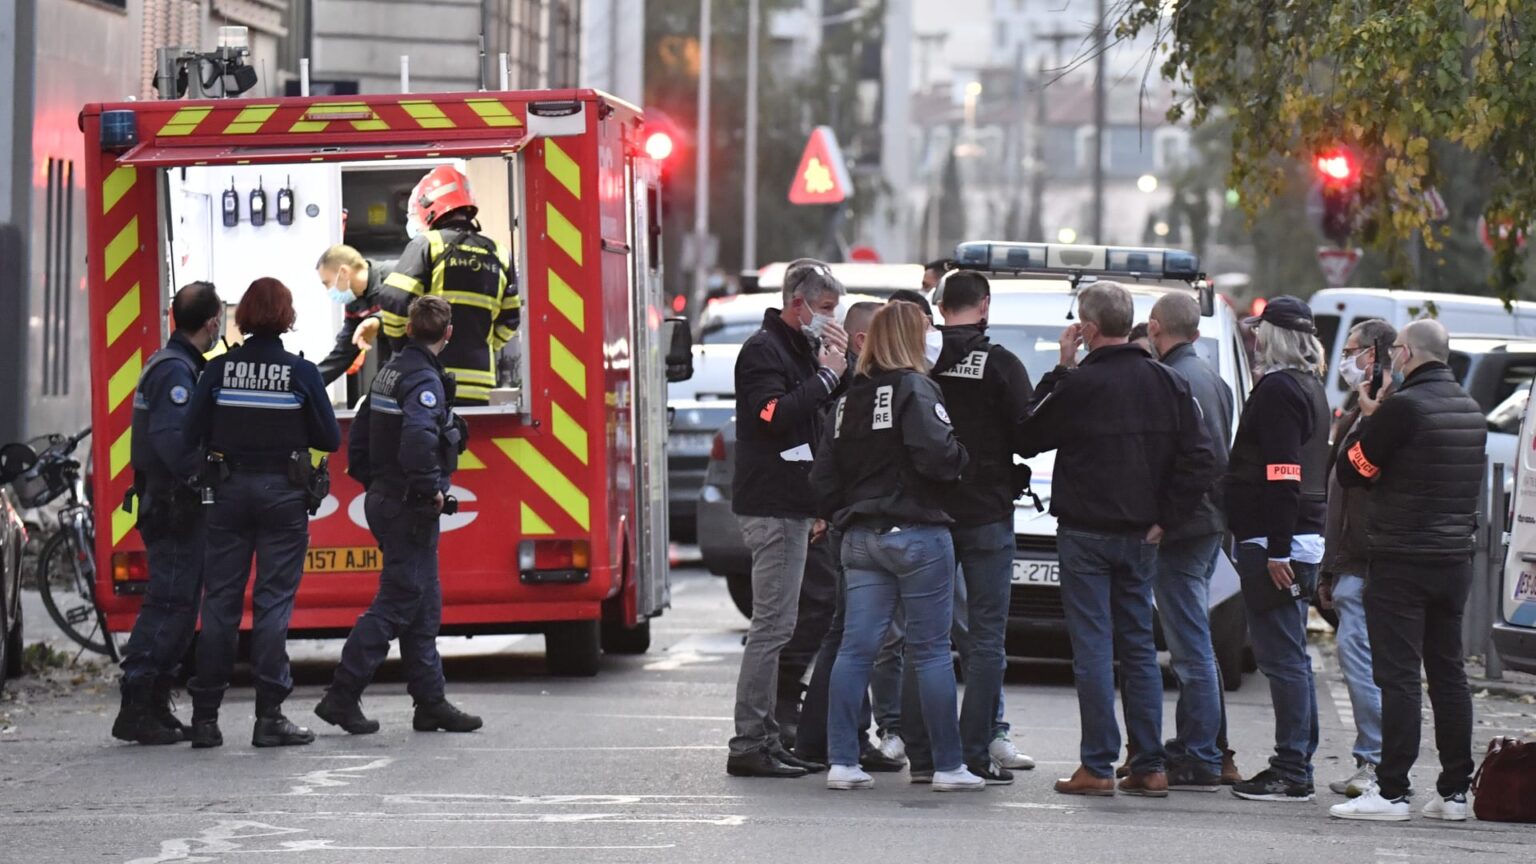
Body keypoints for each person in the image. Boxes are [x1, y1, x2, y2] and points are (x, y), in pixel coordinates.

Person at [1018, 281, 1216, 798]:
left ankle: (1098, 765)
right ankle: (1149, 764)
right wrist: (1168, 517)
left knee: (1092, 649)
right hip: (1141, 534)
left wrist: (1061, 368)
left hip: (1085, 532)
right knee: (1139, 648)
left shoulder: (1079, 385)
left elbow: (1026, 436)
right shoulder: (1168, 382)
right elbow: (1202, 458)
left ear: (1087, 329)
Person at [810, 301, 979, 792]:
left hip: (860, 538)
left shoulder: (847, 400)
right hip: (917, 534)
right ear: (909, 339)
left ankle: (843, 761)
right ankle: (948, 765)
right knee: (931, 652)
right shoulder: (915, 388)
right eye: (924, 329)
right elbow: (938, 456)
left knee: (855, 649)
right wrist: (961, 457)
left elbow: (822, 479)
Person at [1331, 319, 1485, 823]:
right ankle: (1455, 792)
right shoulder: (1470, 408)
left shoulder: (1403, 408)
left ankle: (1393, 790)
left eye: (1397, 349)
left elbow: (1353, 470)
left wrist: (1368, 420)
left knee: (1397, 677)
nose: (1394, 357)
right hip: (1453, 559)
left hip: (1401, 558)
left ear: (1409, 353)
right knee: (1448, 673)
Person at [183, 278, 342, 749]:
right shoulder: (301, 373)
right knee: (273, 602)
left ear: (245, 315)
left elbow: (191, 431)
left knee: (220, 603)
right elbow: (330, 439)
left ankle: (205, 719)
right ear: (287, 316)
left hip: (227, 492)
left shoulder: (218, 370)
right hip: (283, 496)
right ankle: (269, 717)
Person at [314, 296, 482, 736]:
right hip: (409, 504)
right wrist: (429, 490)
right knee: (397, 602)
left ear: (408, 328)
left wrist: (375, 483)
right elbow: (419, 439)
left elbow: (361, 432)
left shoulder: (389, 371)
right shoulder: (423, 379)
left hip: (389, 498)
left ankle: (430, 702)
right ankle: (341, 696)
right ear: (448, 334)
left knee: (423, 604)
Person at [904, 270, 1037, 785]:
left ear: (940, 308)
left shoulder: (920, 361)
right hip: (986, 514)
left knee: (925, 639)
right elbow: (1028, 437)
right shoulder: (1000, 363)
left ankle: (923, 756)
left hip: (928, 513)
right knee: (985, 642)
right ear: (984, 306)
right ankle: (975, 753)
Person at [726, 259, 848, 778]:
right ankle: (749, 741)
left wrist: (836, 370)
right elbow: (772, 415)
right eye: (825, 308)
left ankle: (768, 737)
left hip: (793, 503)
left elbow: (814, 419)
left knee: (781, 625)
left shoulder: (797, 348)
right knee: (772, 628)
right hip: (772, 505)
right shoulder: (763, 350)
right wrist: (826, 376)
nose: (831, 318)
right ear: (798, 303)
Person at [1223, 296, 1329, 803]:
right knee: (1292, 658)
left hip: (1275, 539)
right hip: (1298, 536)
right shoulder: (1310, 387)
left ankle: (1291, 769)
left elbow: (1283, 473)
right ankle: (1298, 760)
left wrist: (1277, 551)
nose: (1255, 338)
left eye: (1260, 330)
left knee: (1281, 659)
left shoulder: (1279, 390)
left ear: (1274, 336)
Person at [793, 302, 905, 773]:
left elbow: (825, 469)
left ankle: (825, 739)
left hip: (847, 523)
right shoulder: (867, 391)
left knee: (846, 636)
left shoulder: (848, 390)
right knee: (856, 640)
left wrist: (830, 510)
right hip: (864, 527)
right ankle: (842, 740)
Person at [112, 282, 224, 746]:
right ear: (212, 323)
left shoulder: (178, 364)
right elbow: (173, 441)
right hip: (173, 506)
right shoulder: (175, 371)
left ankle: (154, 703)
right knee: (169, 604)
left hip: (172, 503)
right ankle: (137, 704)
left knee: (179, 606)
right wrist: (206, 475)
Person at [1145, 292, 1236, 791]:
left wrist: (1166, 518)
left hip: (1185, 527)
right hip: (1208, 522)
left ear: (1155, 326)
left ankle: (1200, 754)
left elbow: (1195, 460)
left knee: (1189, 649)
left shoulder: (1173, 379)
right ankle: (1197, 745)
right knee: (1196, 641)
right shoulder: (1212, 379)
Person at [1319, 318, 1395, 799]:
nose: (1345, 360)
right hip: (1351, 559)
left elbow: (1362, 476)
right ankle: (1375, 760)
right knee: (1361, 661)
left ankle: (1377, 763)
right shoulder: (1360, 410)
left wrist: (1369, 418)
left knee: (1362, 662)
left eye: (1351, 351)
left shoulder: (1386, 412)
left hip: (1365, 561)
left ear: (1375, 354)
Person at [378, 166, 520, 405]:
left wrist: (402, 345)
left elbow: (394, 298)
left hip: (429, 380)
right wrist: (482, 344)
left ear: (428, 207)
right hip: (479, 386)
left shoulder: (428, 244)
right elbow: (511, 319)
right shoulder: (499, 253)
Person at [314, 244, 394, 387]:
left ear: (344, 272)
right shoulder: (355, 303)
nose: (328, 290)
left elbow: (416, 310)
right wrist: (307, 382)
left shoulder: (397, 275)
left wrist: (378, 320)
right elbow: (343, 352)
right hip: (392, 371)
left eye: (327, 283)